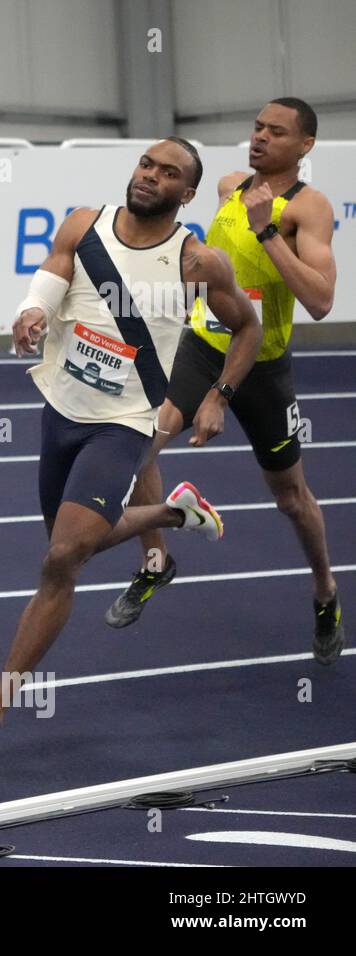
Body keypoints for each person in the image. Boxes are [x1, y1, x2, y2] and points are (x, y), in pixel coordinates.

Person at [0, 138, 263, 761]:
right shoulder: (83, 224)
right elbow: (52, 277)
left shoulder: (198, 262)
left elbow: (247, 326)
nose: (151, 176)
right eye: (147, 164)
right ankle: (177, 513)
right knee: (66, 552)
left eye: (168, 173)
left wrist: (219, 396)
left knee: (63, 558)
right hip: (60, 412)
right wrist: (31, 313)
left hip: (124, 423)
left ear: (187, 194)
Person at [106, 99, 342, 666]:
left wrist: (267, 233)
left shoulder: (309, 209)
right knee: (141, 445)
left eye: (276, 132)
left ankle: (326, 592)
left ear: (304, 145)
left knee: (290, 498)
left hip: (264, 365)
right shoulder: (229, 185)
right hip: (201, 346)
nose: (259, 137)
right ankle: (156, 561)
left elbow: (320, 301)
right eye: (257, 127)